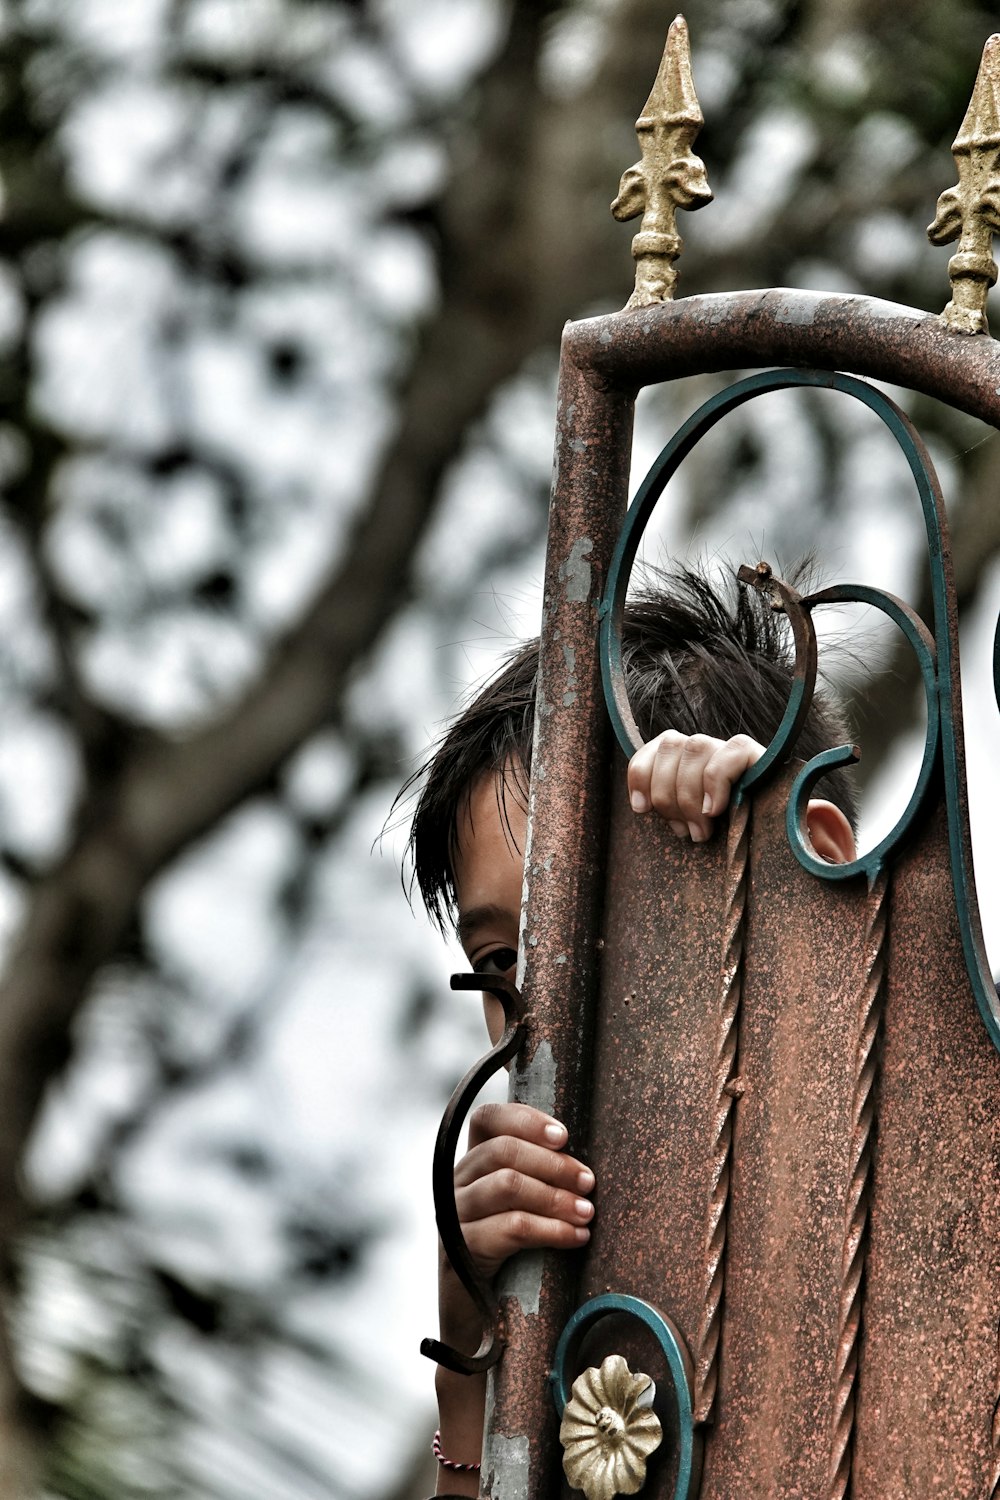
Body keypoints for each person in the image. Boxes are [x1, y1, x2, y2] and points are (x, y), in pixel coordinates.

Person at [405, 567, 859, 1496]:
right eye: (500, 965)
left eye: (614, 917)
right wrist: (469, 1355)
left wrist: (772, 869)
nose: (544, 1006)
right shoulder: (578, 1285)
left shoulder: (935, 1146)